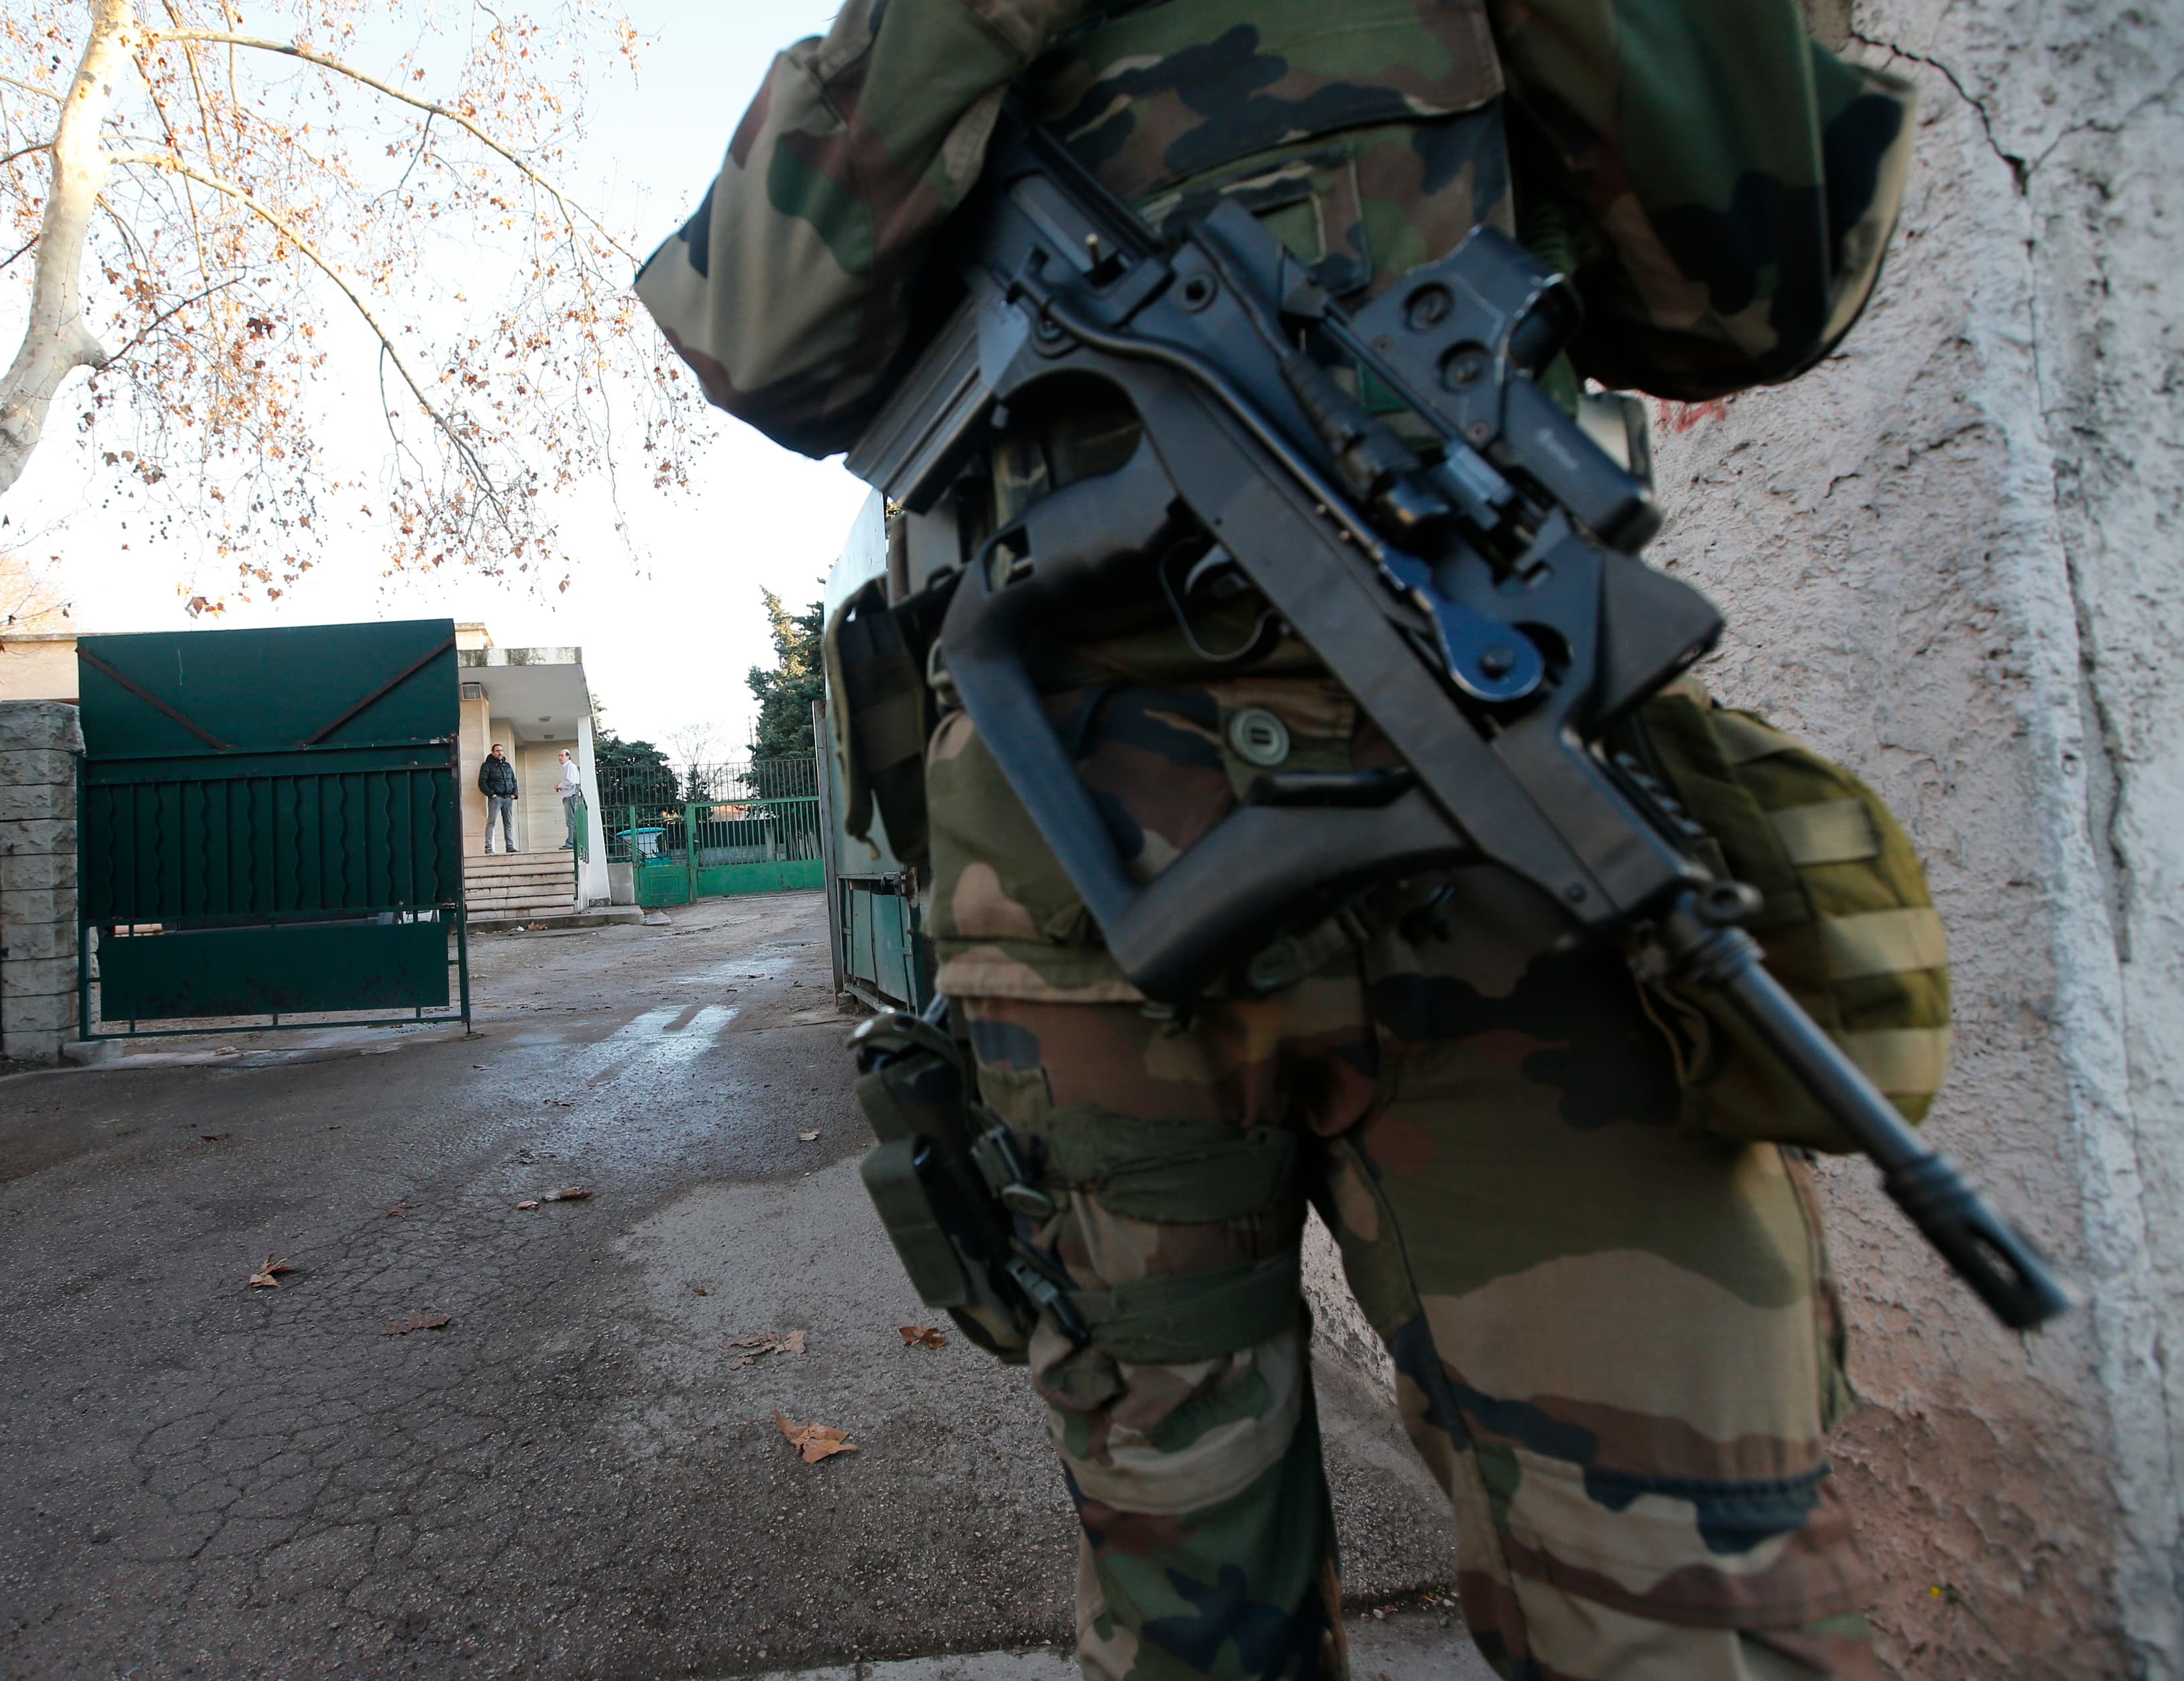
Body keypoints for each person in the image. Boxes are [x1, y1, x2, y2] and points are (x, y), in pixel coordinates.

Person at [636, 5, 1917, 1678]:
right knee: (1192, 1607)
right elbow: (756, 333)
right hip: (1091, 888)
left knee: (1693, 1596)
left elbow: (1768, 272)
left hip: (1513, 841)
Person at [479, 742, 520, 854]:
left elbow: (513, 781)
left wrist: (514, 794)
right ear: (493, 753)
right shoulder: (487, 766)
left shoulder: (507, 766)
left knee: (508, 823)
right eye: (497, 751)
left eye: (501, 750)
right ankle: (488, 847)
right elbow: (482, 783)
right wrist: (491, 794)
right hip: (496, 798)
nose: (500, 753)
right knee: (491, 822)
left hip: (508, 798)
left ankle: (510, 846)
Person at [557, 747, 584, 849]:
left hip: (570, 796)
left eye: (562, 756)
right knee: (571, 820)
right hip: (569, 795)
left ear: (568, 757)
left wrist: (559, 786)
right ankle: (571, 841)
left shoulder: (570, 767)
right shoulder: (569, 767)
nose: (560, 758)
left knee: (570, 820)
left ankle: (571, 842)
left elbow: (570, 782)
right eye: (559, 756)